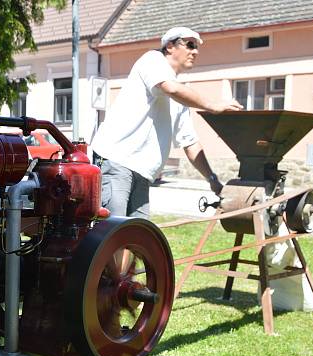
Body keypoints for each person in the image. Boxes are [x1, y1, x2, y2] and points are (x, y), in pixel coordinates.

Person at [90, 27, 243, 219]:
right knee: (112, 232)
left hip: (142, 171)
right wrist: (213, 105)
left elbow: (190, 143)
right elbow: (169, 87)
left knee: (138, 237)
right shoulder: (152, 60)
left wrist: (213, 181)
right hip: (117, 160)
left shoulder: (180, 95)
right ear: (170, 46)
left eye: (196, 47)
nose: (195, 51)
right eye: (190, 45)